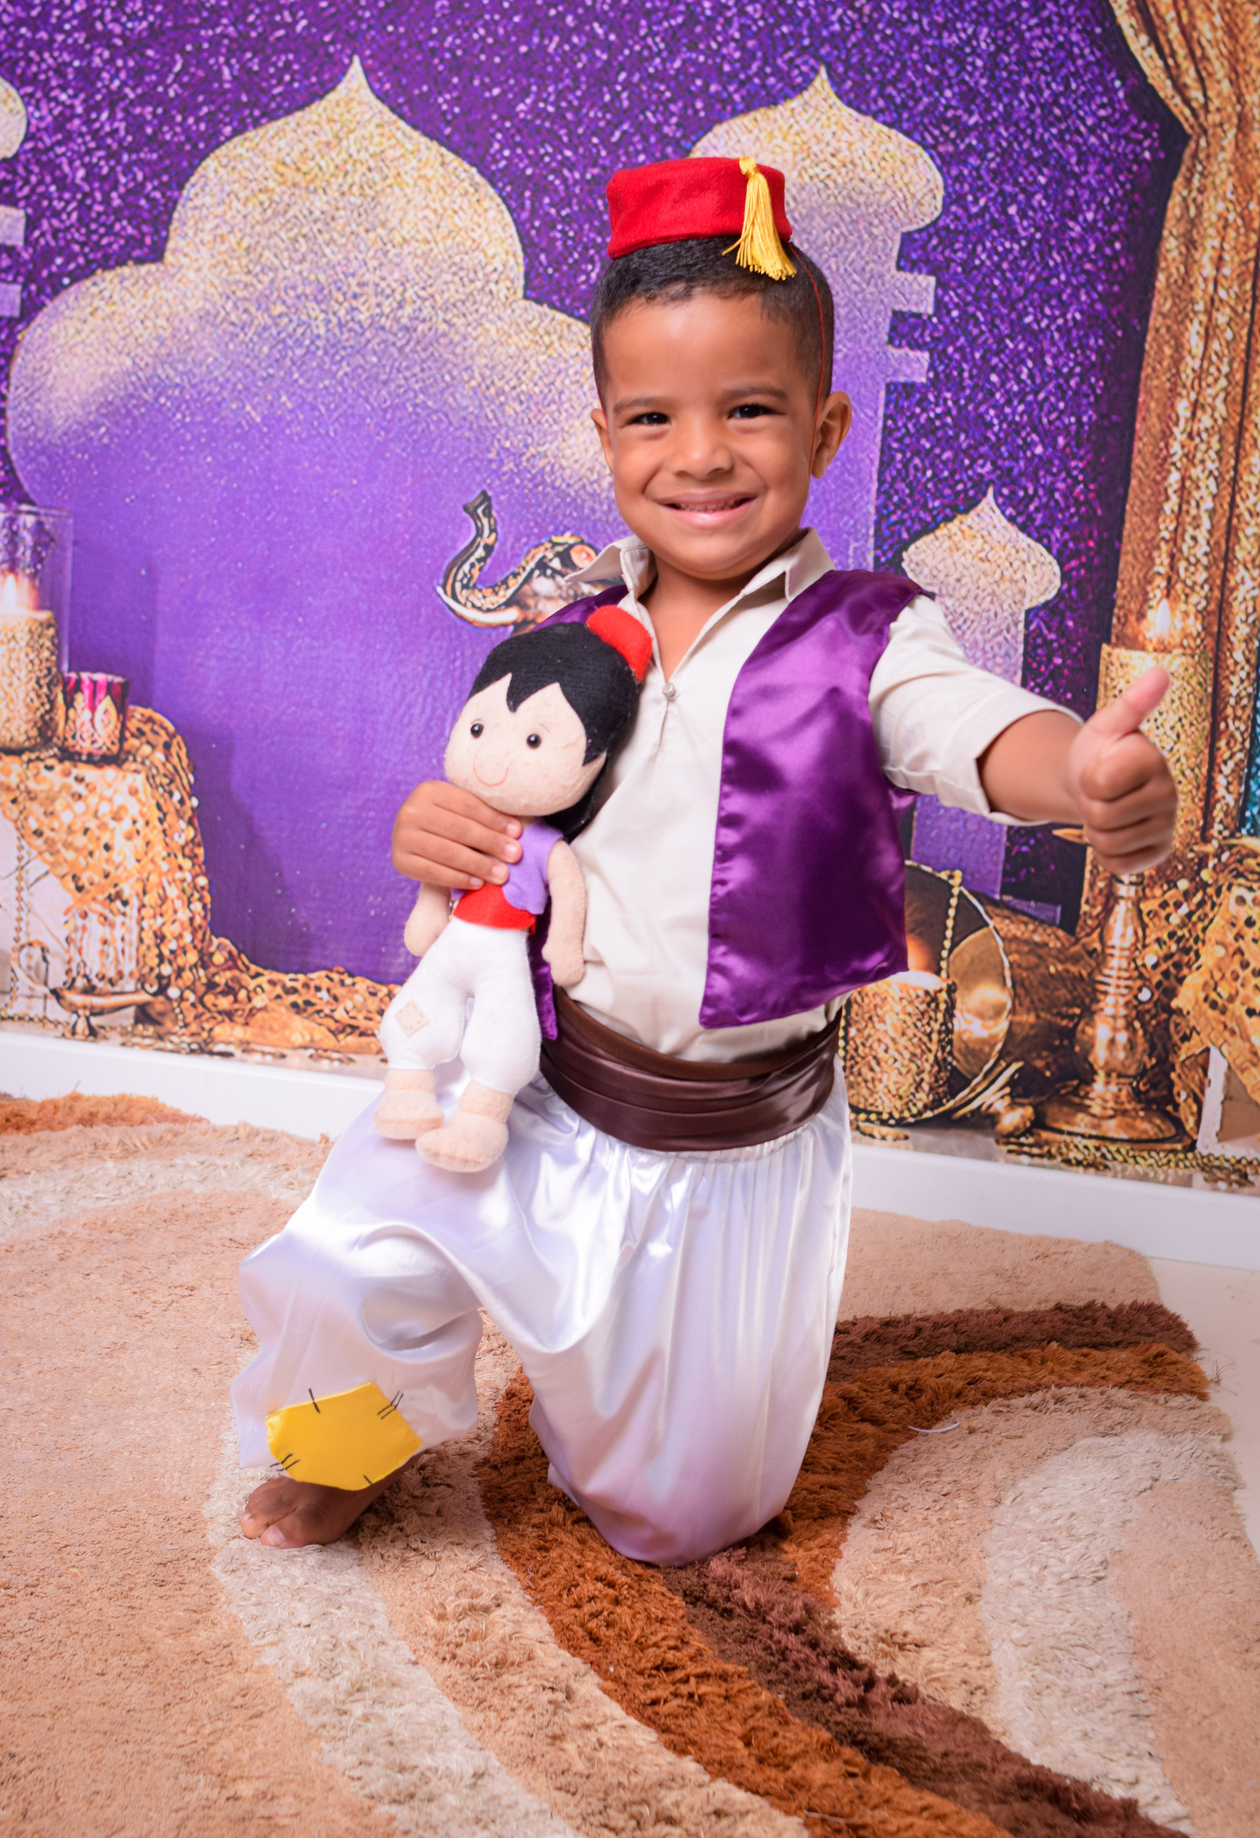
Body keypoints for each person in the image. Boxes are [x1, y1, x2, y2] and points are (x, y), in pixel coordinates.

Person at [234, 155, 1177, 1562]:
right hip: (531, 1086)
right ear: (605, 432)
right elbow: (505, 801)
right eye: (654, 417)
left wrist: (1079, 772)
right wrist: (435, 836)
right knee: (342, 1251)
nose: (702, 454)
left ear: (825, 424)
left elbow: (977, 731)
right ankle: (353, 1440)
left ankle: (640, 1414)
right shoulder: (573, 623)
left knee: (685, 1519)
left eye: (749, 409)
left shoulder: (868, 638)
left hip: (724, 1150)